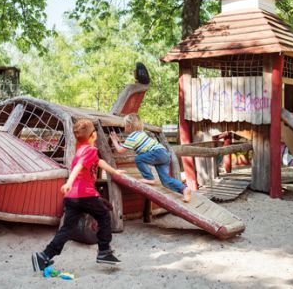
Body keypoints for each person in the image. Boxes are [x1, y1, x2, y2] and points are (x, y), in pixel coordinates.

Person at [32, 119, 126, 272]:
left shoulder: (82, 150)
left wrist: (114, 172)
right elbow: (79, 166)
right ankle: (104, 251)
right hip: (85, 194)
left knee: (67, 229)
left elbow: (99, 162)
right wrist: (69, 182)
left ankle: (44, 256)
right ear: (93, 135)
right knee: (104, 216)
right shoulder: (89, 150)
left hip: (72, 198)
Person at [109, 113, 192, 203]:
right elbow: (126, 146)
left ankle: (149, 179)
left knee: (138, 158)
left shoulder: (132, 137)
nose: (124, 127)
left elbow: (120, 150)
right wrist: (118, 142)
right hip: (164, 154)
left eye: (125, 125)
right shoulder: (141, 133)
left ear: (129, 126)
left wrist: (114, 141)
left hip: (157, 153)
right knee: (166, 181)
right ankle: (184, 189)